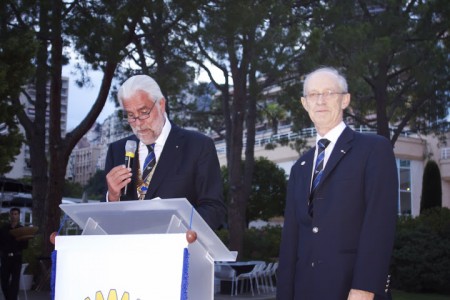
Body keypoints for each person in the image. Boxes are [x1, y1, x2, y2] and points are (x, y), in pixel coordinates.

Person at [277, 67, 398, 300]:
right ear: (304, 103)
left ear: (345, 100)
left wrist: (365, 287)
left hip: (352, 291)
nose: (320, 100)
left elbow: (379, 223)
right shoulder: (300, 167)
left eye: (329, 92)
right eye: (313, 94)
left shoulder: (373, 150)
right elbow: (290, 242)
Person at [104, 74, 226, 230]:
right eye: (131, 115)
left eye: (144, 112)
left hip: (178, 250)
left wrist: (172, 228)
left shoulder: (198, 146)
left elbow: (214, 209)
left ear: (161, 105)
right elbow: (105, 219)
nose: (138, 123)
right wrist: (112, 198)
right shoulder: (117, 150)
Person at [0, 208, 28, 300]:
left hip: (16, 257)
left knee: (15, 282)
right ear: (10, 215)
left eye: (16, 214)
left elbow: (25, 246)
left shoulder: (22, 229)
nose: (14, 216)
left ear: (19, 216)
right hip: (5, 257)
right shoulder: (4, 228)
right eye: (12, 214)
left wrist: (21, 240)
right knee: (4, 281)